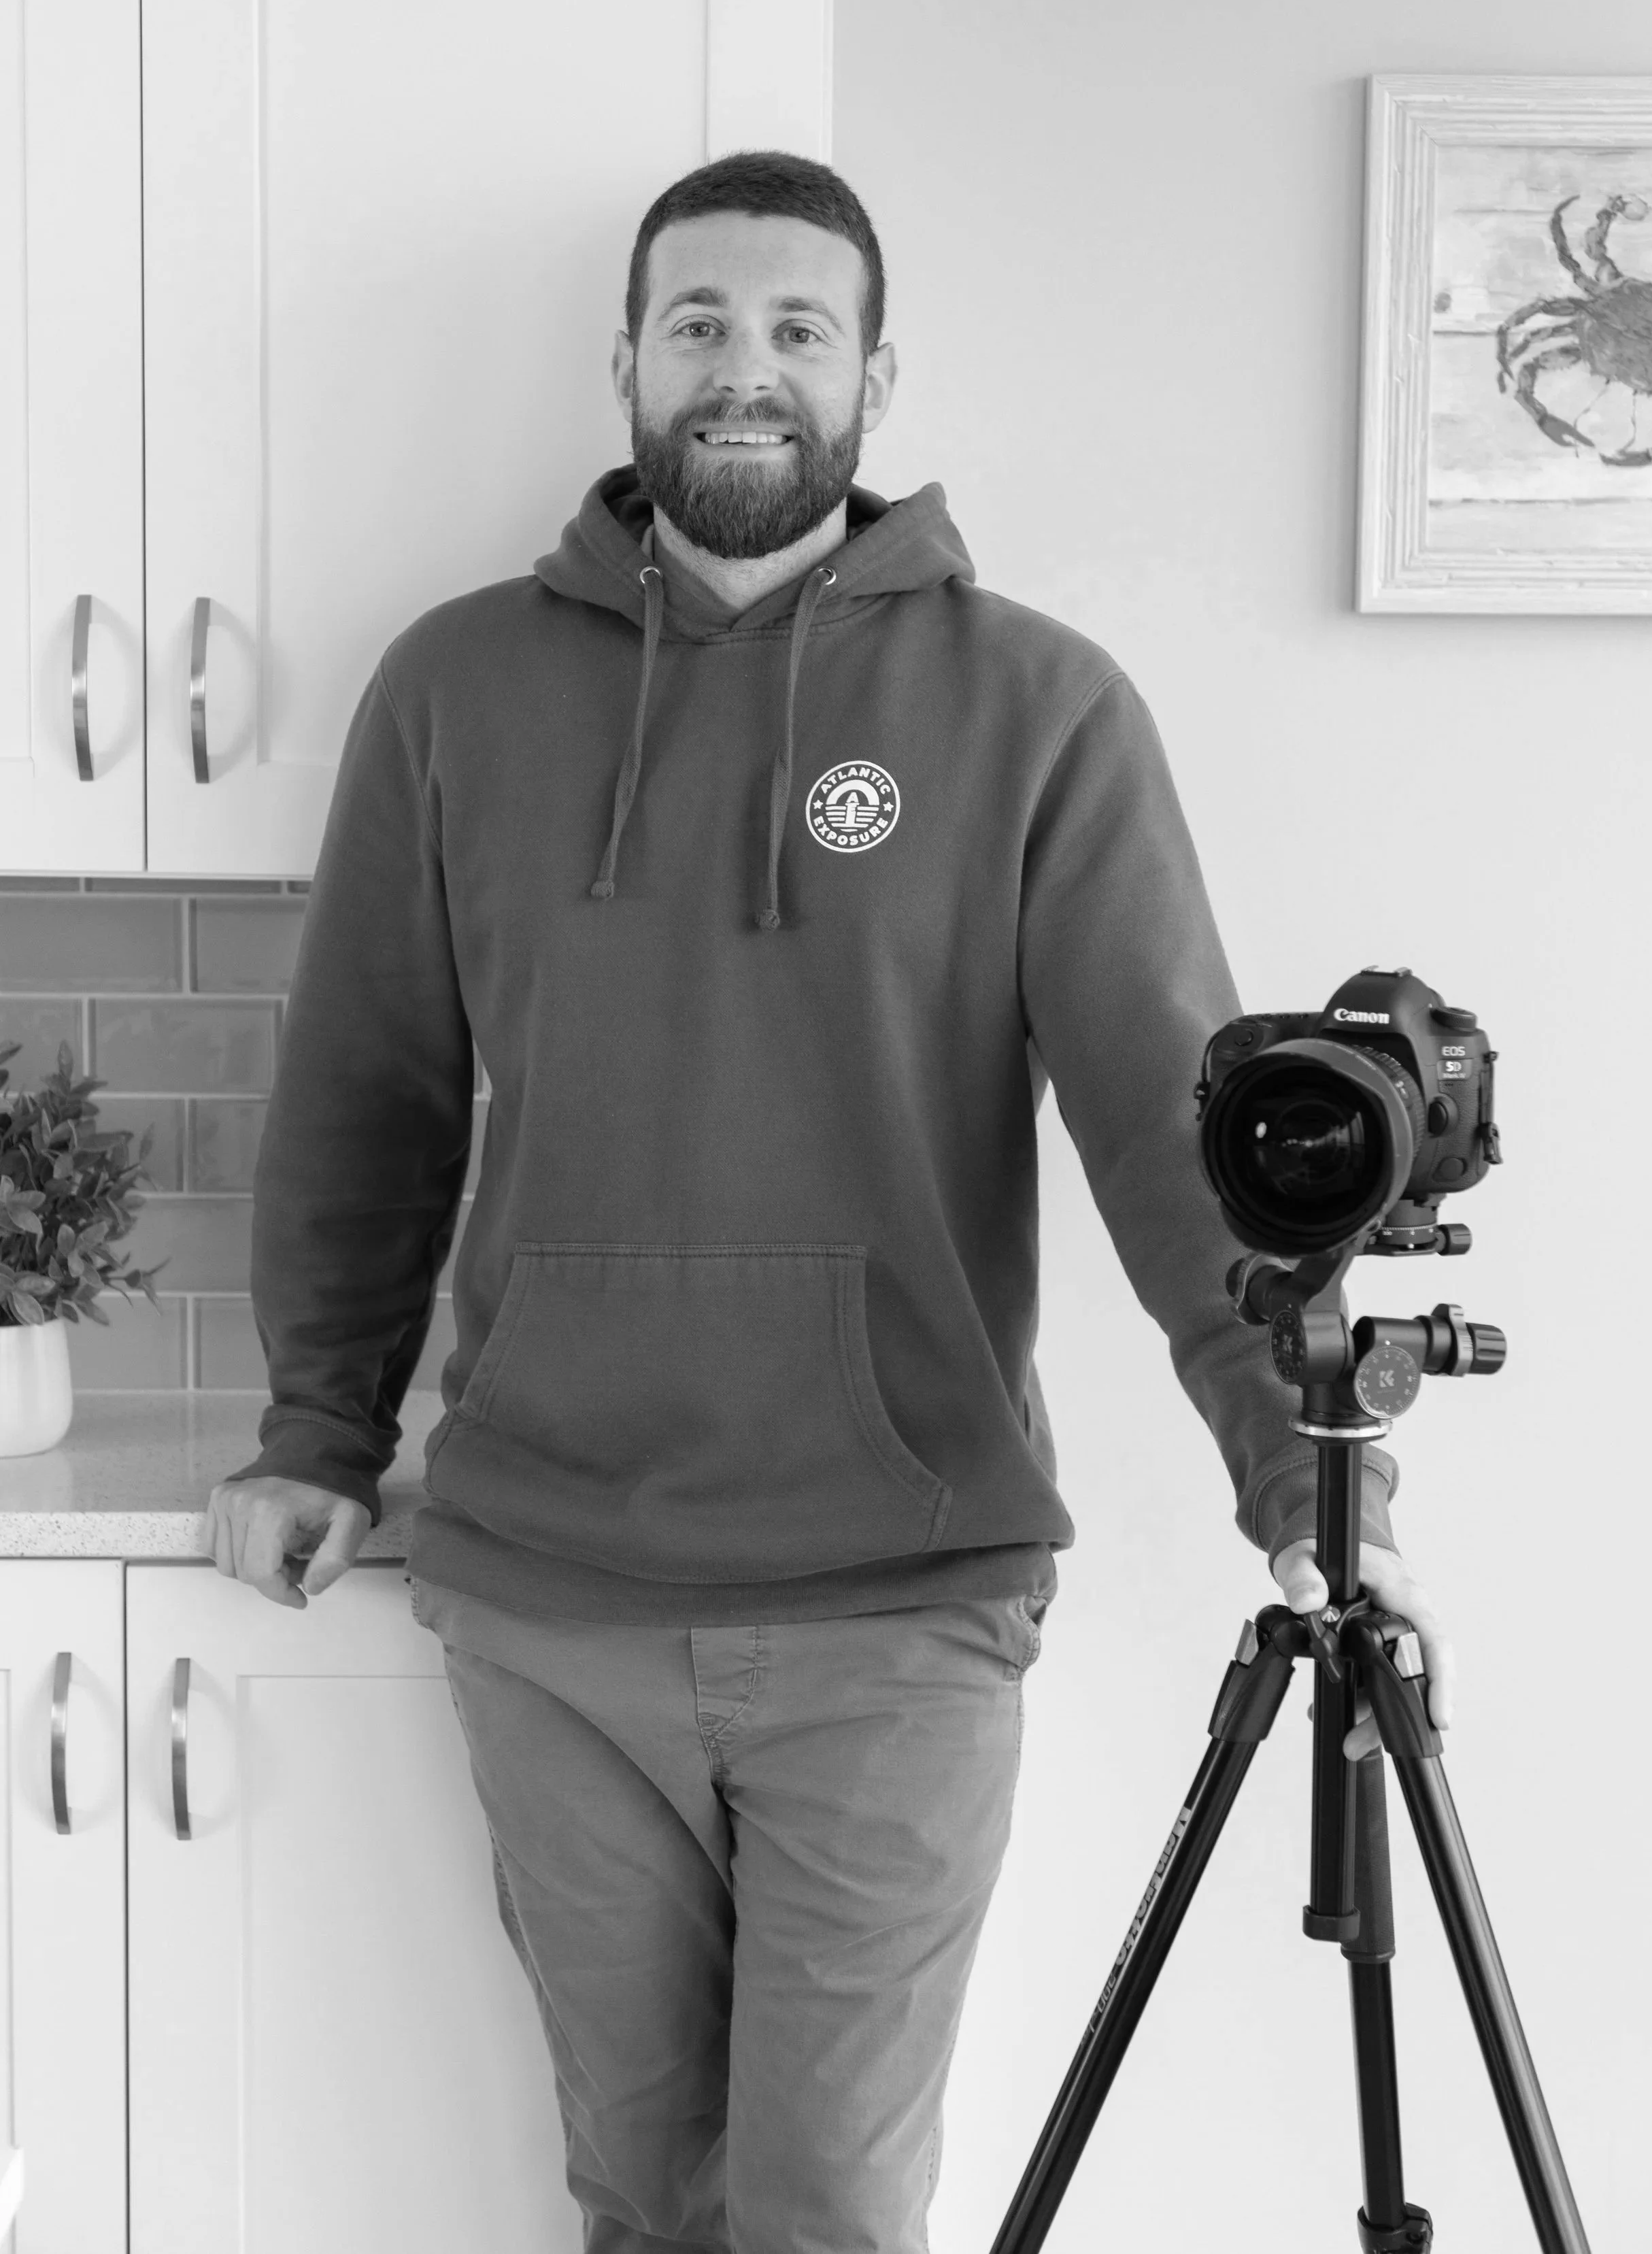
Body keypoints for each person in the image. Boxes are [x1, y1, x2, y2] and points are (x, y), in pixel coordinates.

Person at [201, 150, 1452, 2254]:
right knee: (638, 2199)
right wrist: (317, 1432)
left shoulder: (1036, 708)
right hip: (550, 1599)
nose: (745, 368)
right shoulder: (455, 692)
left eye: (798, 327)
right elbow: (369, 1098)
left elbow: (1183, 1143)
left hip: (900, 1603)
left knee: (830, 2215)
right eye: (699, 323)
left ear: (876, 375)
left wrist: (1313, 1494)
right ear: (627, 359)